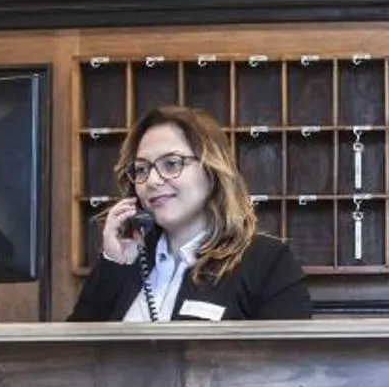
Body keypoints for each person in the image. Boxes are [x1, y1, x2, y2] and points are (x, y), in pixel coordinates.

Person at [68, 105, 311, 322]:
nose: (151, 181)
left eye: (171, 164)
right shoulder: (129, 259)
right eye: (141, 169)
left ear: (212, 170)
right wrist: (114, 263)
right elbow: (74, 357)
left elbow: (291, 366)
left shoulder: (268, 263)